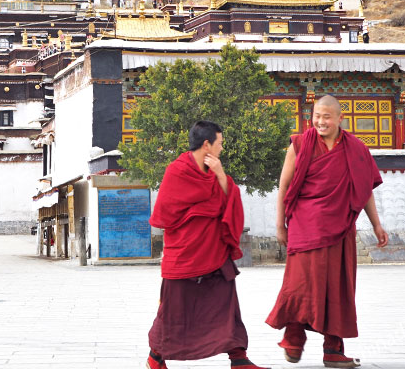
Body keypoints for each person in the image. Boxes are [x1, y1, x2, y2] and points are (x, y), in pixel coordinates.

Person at [266, 95, 388, 368]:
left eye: (326, 117)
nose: (320, 122)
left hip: (340, 227)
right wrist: (279, 225)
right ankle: (293, 339)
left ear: (339, 118)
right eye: (316, 116)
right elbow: (284, 186)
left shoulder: (356, 149)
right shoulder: (299, 144)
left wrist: (377, 224)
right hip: (304, 225)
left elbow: (364, 189)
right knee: (300, 284)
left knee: (338, 286)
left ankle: (333, 349)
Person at [146, 121, 268, 369]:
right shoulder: (177, 171)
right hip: (185, 254)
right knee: (172, 310)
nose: (221, 148)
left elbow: (229, 201)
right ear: (206, 144)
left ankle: (238, 357)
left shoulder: (215, 172)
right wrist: (199, 212)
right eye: (220, 143)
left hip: (214, 250)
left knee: (226, 302)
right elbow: (165, 216)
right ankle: (155, 357)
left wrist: (221, 174)